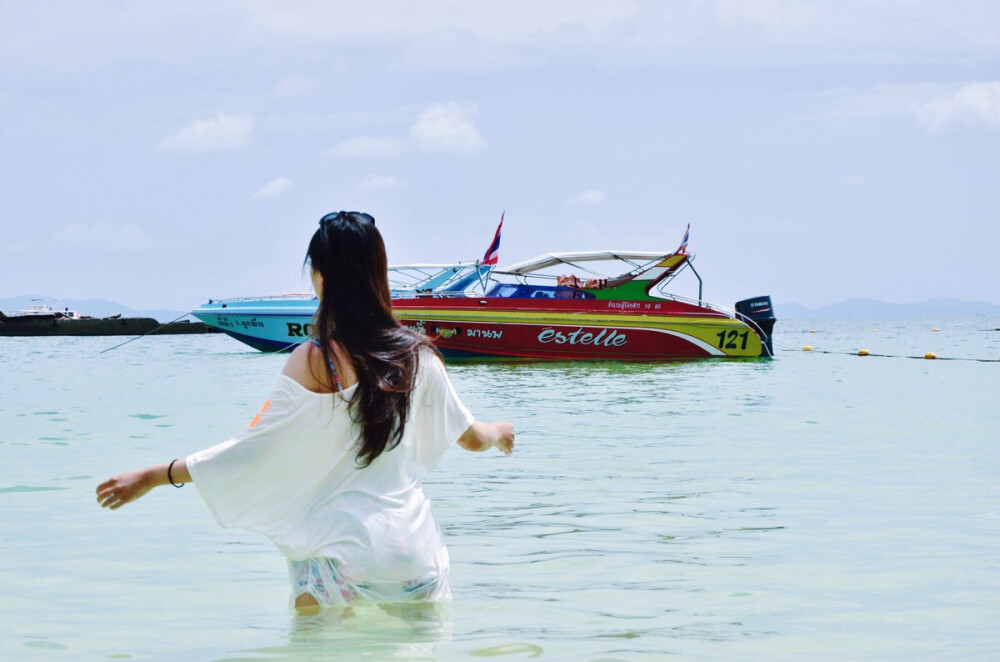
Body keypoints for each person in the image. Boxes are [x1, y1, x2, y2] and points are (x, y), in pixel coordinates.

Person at [97, 211, 515, 614]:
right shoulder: (419, 356)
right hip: (416, 556)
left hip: (344, 555)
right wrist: (500, 431)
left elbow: (255, 450)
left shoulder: (317, 359)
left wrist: (157, 475)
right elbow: (474, 438)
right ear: (379, 273)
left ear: (321, 276)